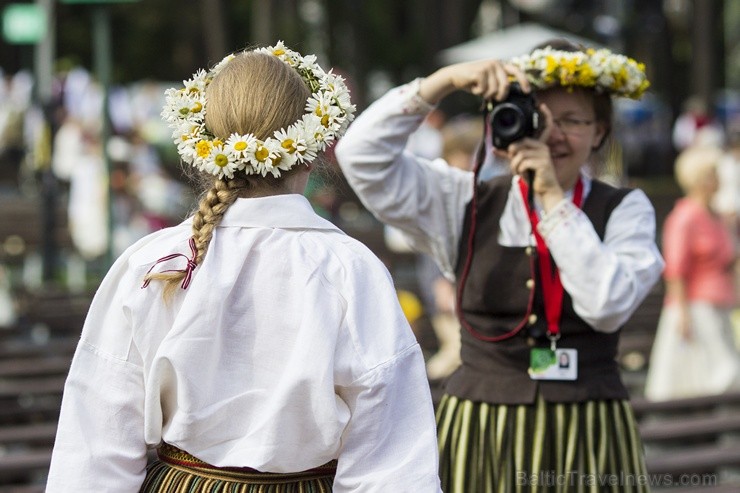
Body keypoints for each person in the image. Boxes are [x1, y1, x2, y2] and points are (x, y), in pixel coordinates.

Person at [46, 42, 442, 492]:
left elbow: (96, 444)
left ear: (206, 143)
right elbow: (391, 461)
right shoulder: (351, 270)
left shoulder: (151, 262)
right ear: (312, 150)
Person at [335, 39, 664, 492]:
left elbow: (606, 304)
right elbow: (362, 156)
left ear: (601, 132)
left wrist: (551, 198)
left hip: (589, 423)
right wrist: (442, 83)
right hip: (482, 424)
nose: (553, 135)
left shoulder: (625, 209)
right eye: (540, 119)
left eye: (571, 121)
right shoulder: (464, 199)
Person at [644, 144, 740, 402]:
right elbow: (675, 270)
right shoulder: (684, 218)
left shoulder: (719, 217)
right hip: (697, 307)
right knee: (722, 371)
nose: (719, 180)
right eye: (713, 174)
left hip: (723, 304)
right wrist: (682, 313)